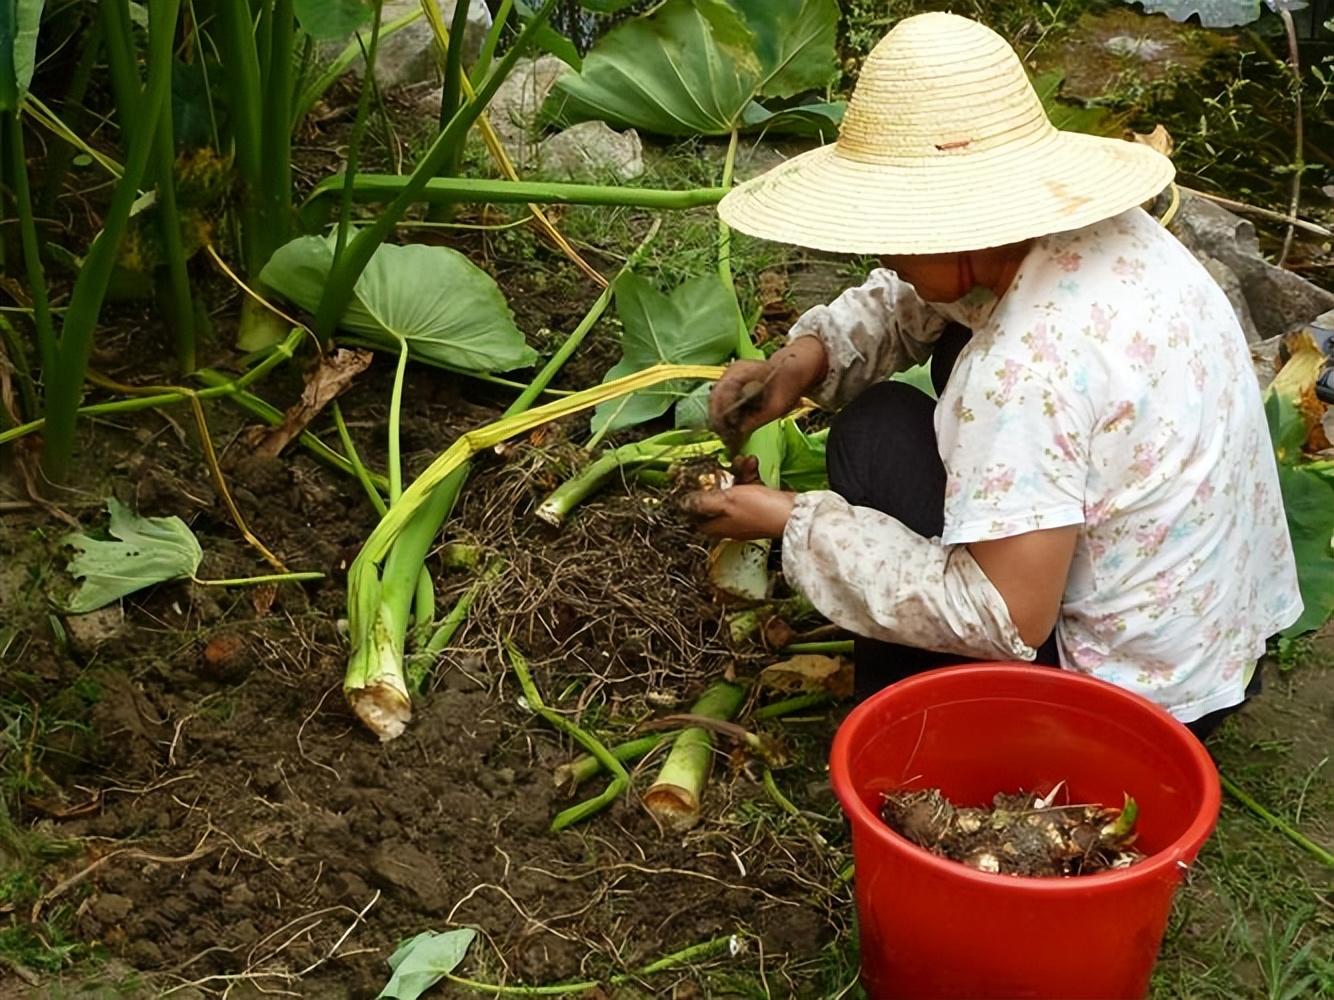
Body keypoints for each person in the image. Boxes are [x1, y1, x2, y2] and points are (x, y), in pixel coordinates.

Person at [684, 11, 1302, 741]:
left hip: (1117, 713)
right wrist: (806, 358)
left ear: (959, 227)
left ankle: (918, 727)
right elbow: (934, 288)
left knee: (874, 436)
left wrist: (795, 523)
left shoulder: (1024, 368)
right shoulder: (1098, 232)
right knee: (929, 372)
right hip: (1209, 657)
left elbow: (1002, 616)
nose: (886, 250)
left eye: (898, 235)